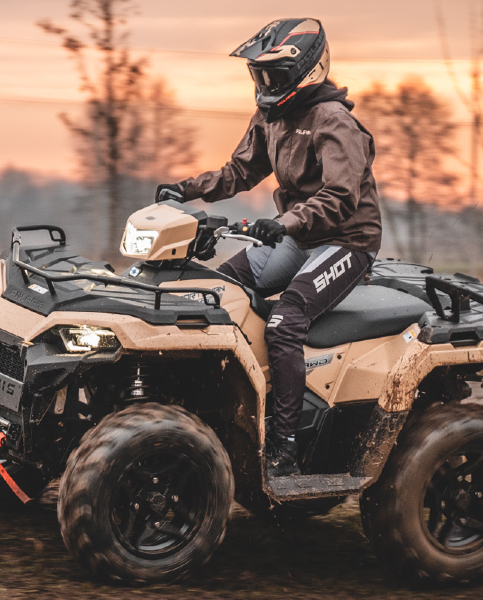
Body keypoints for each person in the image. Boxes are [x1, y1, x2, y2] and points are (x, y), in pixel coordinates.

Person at [157, 18, 382, 479]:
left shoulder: (334, 121)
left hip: (346, 240)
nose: (264, 84)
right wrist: (185, 190)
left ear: (306, 71)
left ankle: (284, 445)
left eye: (273, 74)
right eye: (258, 74)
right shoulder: (271, 117)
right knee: (216, 290)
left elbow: (341, 198)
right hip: (298, 235)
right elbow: (239, 172)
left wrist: (283, 223)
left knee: (284, 323)